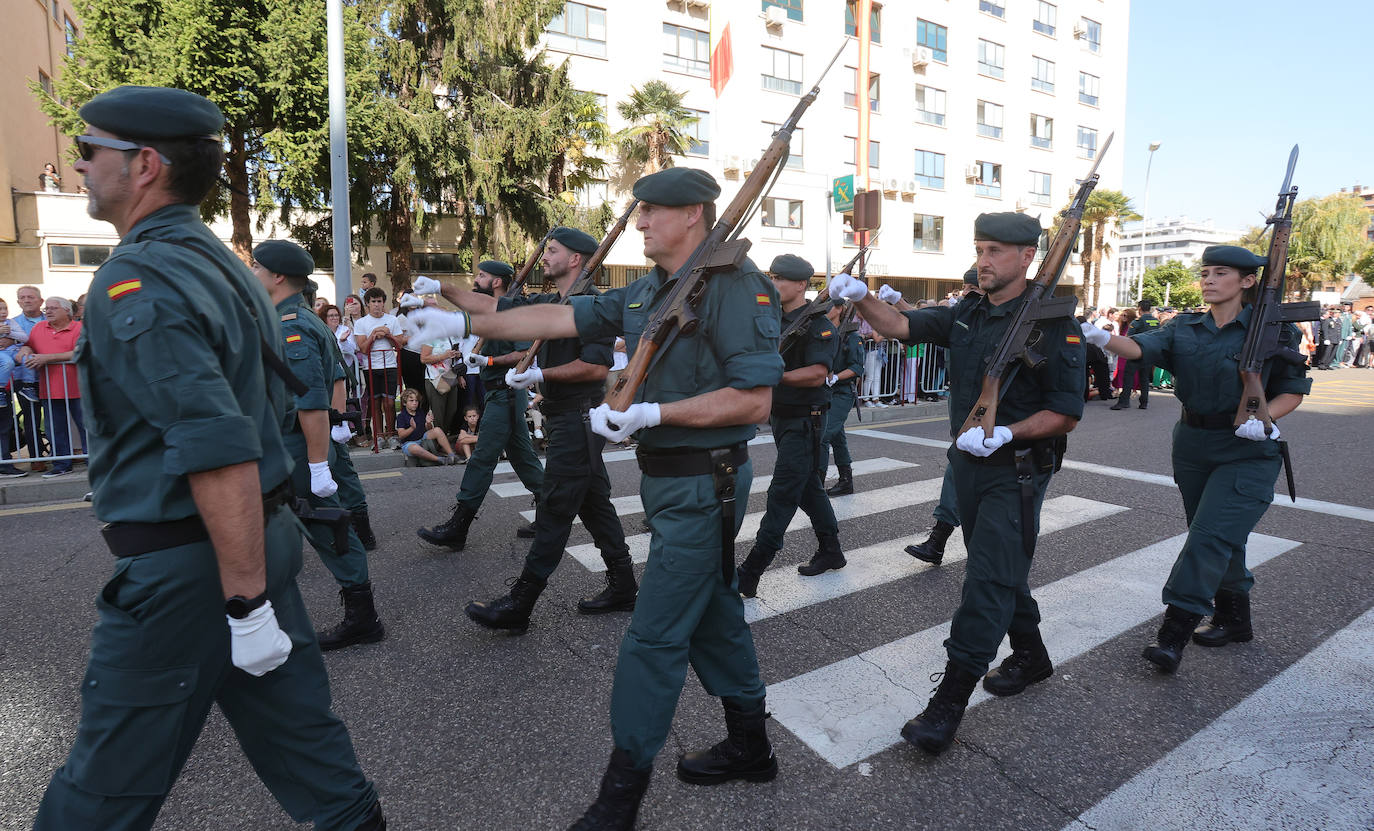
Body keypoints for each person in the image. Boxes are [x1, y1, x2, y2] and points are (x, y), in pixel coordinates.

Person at [36, 85, 384, 831]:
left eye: (92, 148)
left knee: (101, 788)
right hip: (248, 544)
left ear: (145, 165)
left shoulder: (142, 276)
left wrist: (244, 602)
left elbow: (215, 444)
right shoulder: (217, 262)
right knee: (305, 742)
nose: (81, 160)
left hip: (196, 565)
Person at [408, 167, 784, 830]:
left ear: (692, 214)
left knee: (653, 635)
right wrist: (464, 312)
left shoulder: (735, 287)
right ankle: (751, 743)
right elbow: (557, 313)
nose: (638, 223)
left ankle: (621, 795)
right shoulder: (650, 290)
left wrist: (651, 413)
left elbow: (755, 398)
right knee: (714, 613)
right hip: (672, 481)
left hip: (707, 480)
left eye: (650, 213)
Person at [830, 211, 1084, 755]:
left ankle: (949, 699)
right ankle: (1032, 655)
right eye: (979, 248)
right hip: (967, 466)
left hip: (1014, 471)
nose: (983, 260)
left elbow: (1065, 412)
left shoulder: (1054, 321)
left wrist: (1007, 433)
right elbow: (903, 326)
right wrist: (861, 296)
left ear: (1025, 258)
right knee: (1003, 568)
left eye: (994, 251)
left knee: (987, 580)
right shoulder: (968, 308)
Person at [1079, 245, 1310, 673]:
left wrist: (1264, 419)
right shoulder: (1184, 328)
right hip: (1193, 445)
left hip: (1247, 449)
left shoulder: (1275, 331)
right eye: (1205, 272)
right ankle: (1235, 619)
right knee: (1219, 537)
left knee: (1207, 539)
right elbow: (1138, 348)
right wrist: (1100, 337)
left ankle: (1174, 632)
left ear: (1245, 282)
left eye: (1220, 273)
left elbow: (1292, 391)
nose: (1208, 279)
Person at [461, 226, 636, 632]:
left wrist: (540, 372)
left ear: (576, 259)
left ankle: (521, 602)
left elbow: (594, 366)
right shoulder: (554, 301)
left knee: (555, 509)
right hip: (565, 416)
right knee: (594, 503)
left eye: (552, 250)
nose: (544, 256)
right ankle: (624, 584)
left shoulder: (592, 305)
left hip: (578, 417)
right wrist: (438, 292)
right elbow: (501, 307)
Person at [250, 239, 386, 652]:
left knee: (327, 528)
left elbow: (309, 399)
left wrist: (317, 463)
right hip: (292, 445)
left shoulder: (291, 325)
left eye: (257, 268)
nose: (252, 274)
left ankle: (362, 618)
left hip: (297, 447)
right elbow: (337, 377)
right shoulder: (298, 319)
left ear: (276, 276)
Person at [414, 259, 544, 550]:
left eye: (482, 276)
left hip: (507, 394)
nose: (477, 279)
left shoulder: (514, 311)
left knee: (483, 457)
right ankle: (551, 511)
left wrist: (489, 360)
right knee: (523, 457)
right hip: (495, 392)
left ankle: (458, 526)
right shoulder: (493, 309)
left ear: (497, 281)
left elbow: (525, 353)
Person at [736, 253, 844, 598]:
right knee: (808, 487)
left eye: (781, 279)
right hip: (781, 417)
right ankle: (831, 550)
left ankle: (752, 568)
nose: (774, 283)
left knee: (783, 492)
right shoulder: (775, 320)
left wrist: (775, 375)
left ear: (801, 285)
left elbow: (816, 374)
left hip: (805, 420)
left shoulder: (818, 324)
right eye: (772, 276)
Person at [15, 296, 85, 477]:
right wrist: (25, 350)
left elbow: (80, 351)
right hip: (50, 388)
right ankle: (62, 465)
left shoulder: (79, 327)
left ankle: (95, 462)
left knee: (86, 427)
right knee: (55, 429)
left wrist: (48, 358)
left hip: (79, 388)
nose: (48, 311)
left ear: (67, 311)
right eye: (47, 308)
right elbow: (30, 345)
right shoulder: (39, 327)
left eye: (53, 308)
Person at [353, 287, 407, 445]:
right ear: (367, 304)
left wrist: (388, 334)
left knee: (389, 402)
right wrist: (374, 334)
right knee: (375, 402)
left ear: (383, 303)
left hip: (389, 365)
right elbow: (363, 348)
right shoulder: (361, 322)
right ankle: (379, 436)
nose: (377, 305)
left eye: (379, 301)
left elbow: (400, 345)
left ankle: (391, 435)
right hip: (370, 367)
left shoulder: (392, 320)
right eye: (373, 302)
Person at [822, 301, 864, 496]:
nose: (826, 312)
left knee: (823, 436)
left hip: (842, 392)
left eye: (830, 307)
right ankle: (846, 481)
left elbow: (857, 368)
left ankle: (817, 481)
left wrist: (837, 376)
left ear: (839, 309)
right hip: (826, 391)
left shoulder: (851, 336)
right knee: (838, 438)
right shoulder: (825, 333)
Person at [0, 298, 31, 477]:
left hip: (5, 390)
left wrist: (10, 340)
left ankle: (4, 462)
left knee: (4, 425)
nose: (3, 312)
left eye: (5, 308)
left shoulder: (10, 324)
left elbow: (23, 339)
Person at [1111, 299, 1159, 410]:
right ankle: (1144, 402)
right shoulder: (1156, 322)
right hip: (1150, 353)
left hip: (1136, 353)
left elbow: (1129, 338)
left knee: (1128, 377)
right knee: (1144, 378)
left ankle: (1124, 401)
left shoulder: (1137, 322)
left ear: (1140, 309)